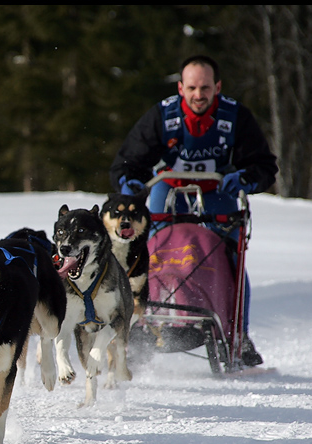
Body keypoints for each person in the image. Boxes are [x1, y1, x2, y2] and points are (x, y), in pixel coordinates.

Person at [109, 55, 278, 366]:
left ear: (217, 87)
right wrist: (131, 184)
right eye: (192, 88)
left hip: (216, 192)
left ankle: (237, 335)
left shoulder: (235, 117)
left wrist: (243, 178)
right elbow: (126, 163)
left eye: (205, 87)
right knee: (147, 254)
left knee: (234, 256)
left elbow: (265, 166)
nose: (198, 95)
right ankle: (139, 326)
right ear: (180, 88)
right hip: (168, 190)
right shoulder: (163, 116)